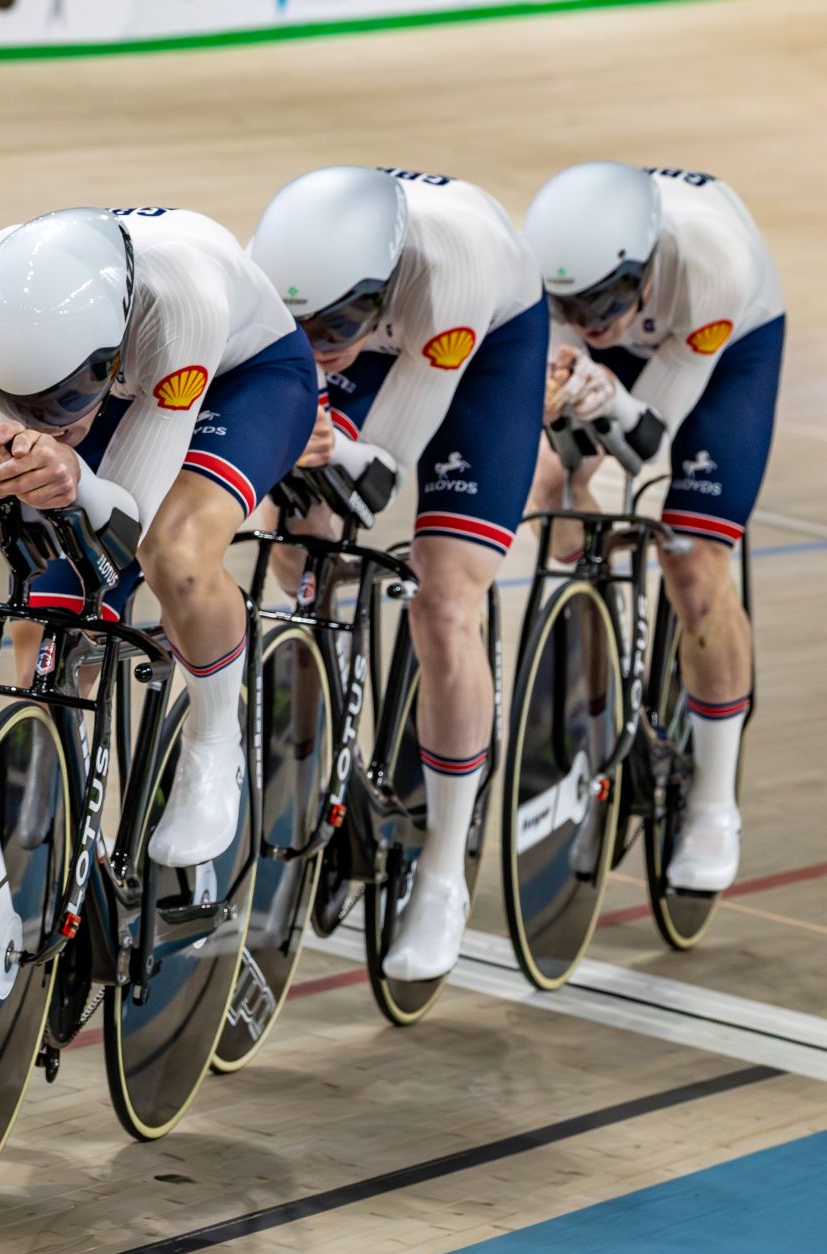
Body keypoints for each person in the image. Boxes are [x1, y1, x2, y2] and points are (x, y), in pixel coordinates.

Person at [0, 206, 315, 868]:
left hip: (236, 377)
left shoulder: (182, 298)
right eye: (32, 407)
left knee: (175, 550)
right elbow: (32, 477)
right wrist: (5, 471)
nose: (49, 425)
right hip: (114, 386)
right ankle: (73, 855)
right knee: (47, 620)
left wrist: (70, 476)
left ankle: (213, 741)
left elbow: (126, 529)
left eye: (60, 406)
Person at [249, 166, 548, 980]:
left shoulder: (451, 271)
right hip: (385, 347)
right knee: (302, 540)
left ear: (379, 287)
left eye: (335, 322)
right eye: (296, 324)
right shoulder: (276, 274)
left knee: (443, 599)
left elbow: (381, 473)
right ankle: (327, 722)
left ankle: (444, 872)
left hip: (479, 353)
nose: (317, 344)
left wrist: (325, 443)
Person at [523, 162, 785, 892]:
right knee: (549, 484)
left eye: (607, 297)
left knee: (692, 563)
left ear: (645, 263)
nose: (591, 317)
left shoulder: (712, 264)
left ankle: (713, 802)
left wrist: (598, 397)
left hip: (724, 355)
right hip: (622, 362)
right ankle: (589, 655)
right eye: (571, 303)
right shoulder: (546, 276)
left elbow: (644, 441)